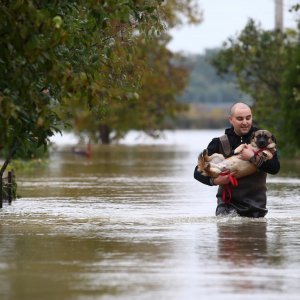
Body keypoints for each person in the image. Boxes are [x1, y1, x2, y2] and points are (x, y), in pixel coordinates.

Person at [194, 102, 280, 218]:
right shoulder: (219, 142)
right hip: (226, 207)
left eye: (248, 118)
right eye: (240, 119)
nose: (245, 122)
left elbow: (275, 168)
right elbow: (197, 172)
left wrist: (251, 157)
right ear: (231, 119)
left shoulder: (263, 140)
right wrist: (215, 181)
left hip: (255, 208)